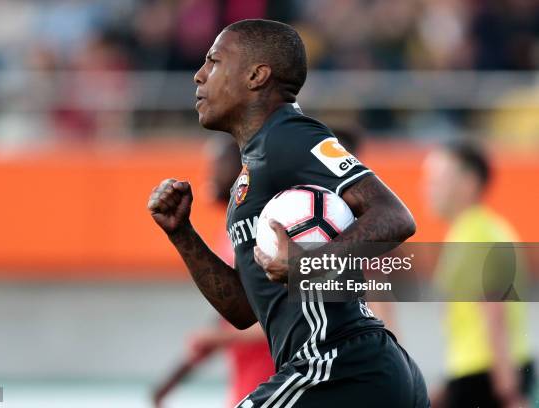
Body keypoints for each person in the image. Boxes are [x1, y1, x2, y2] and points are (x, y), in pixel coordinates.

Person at [148, 19, 428, 407]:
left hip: (340, 365)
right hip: (348, 371)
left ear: (257, 75)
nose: (199, 76)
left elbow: (395, 217)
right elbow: (245, 310)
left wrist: (307, 267)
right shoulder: (253, 172)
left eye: (213, 62)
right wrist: (182, 235)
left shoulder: (291, 134)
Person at [424, 141, 534, 408]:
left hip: (486, 373)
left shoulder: (477, 235)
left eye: (438, 179)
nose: (428, 189)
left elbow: (494, 308)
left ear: (468, 182)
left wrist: (506, 389)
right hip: (478, 370)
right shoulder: (470, 231)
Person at [188, 137, 275, 407]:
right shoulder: (231, 232)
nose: (211, 174)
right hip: (246, 382)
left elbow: (282, 314)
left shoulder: (267, 229)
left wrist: (219, 338)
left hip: (271, 381)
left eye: (219, 164)